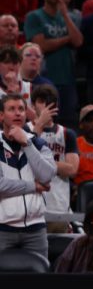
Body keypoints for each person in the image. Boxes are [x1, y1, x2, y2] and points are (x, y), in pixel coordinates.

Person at [0, 93, 56, 258]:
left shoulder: (37, 143)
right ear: (1, 115)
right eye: (12, 109)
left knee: (39, 280)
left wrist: (26, 143)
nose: (18, 113)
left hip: (36, 229)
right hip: (2, 228)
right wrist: (34, 186)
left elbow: (47, 176)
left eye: (21, 109)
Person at [23, 0, 83, 121]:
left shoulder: (71, 16)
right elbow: (41, 46)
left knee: (67, 123)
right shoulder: (34, 16)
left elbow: (78, 42)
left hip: (68, 79)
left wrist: (64, 15)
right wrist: (67, 38)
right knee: (45, 122)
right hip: (44, 78)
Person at [30, 84, 78, 222]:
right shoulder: (24, 130)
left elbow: (72, 169)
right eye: (41, 101)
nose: (45, 105)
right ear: (33, 105)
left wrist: (39, 162)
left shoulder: (67, 134)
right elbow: (24, 162)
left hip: (59, 203)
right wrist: (39, 125)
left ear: (56, 105)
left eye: (49, 101)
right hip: (32, 204)